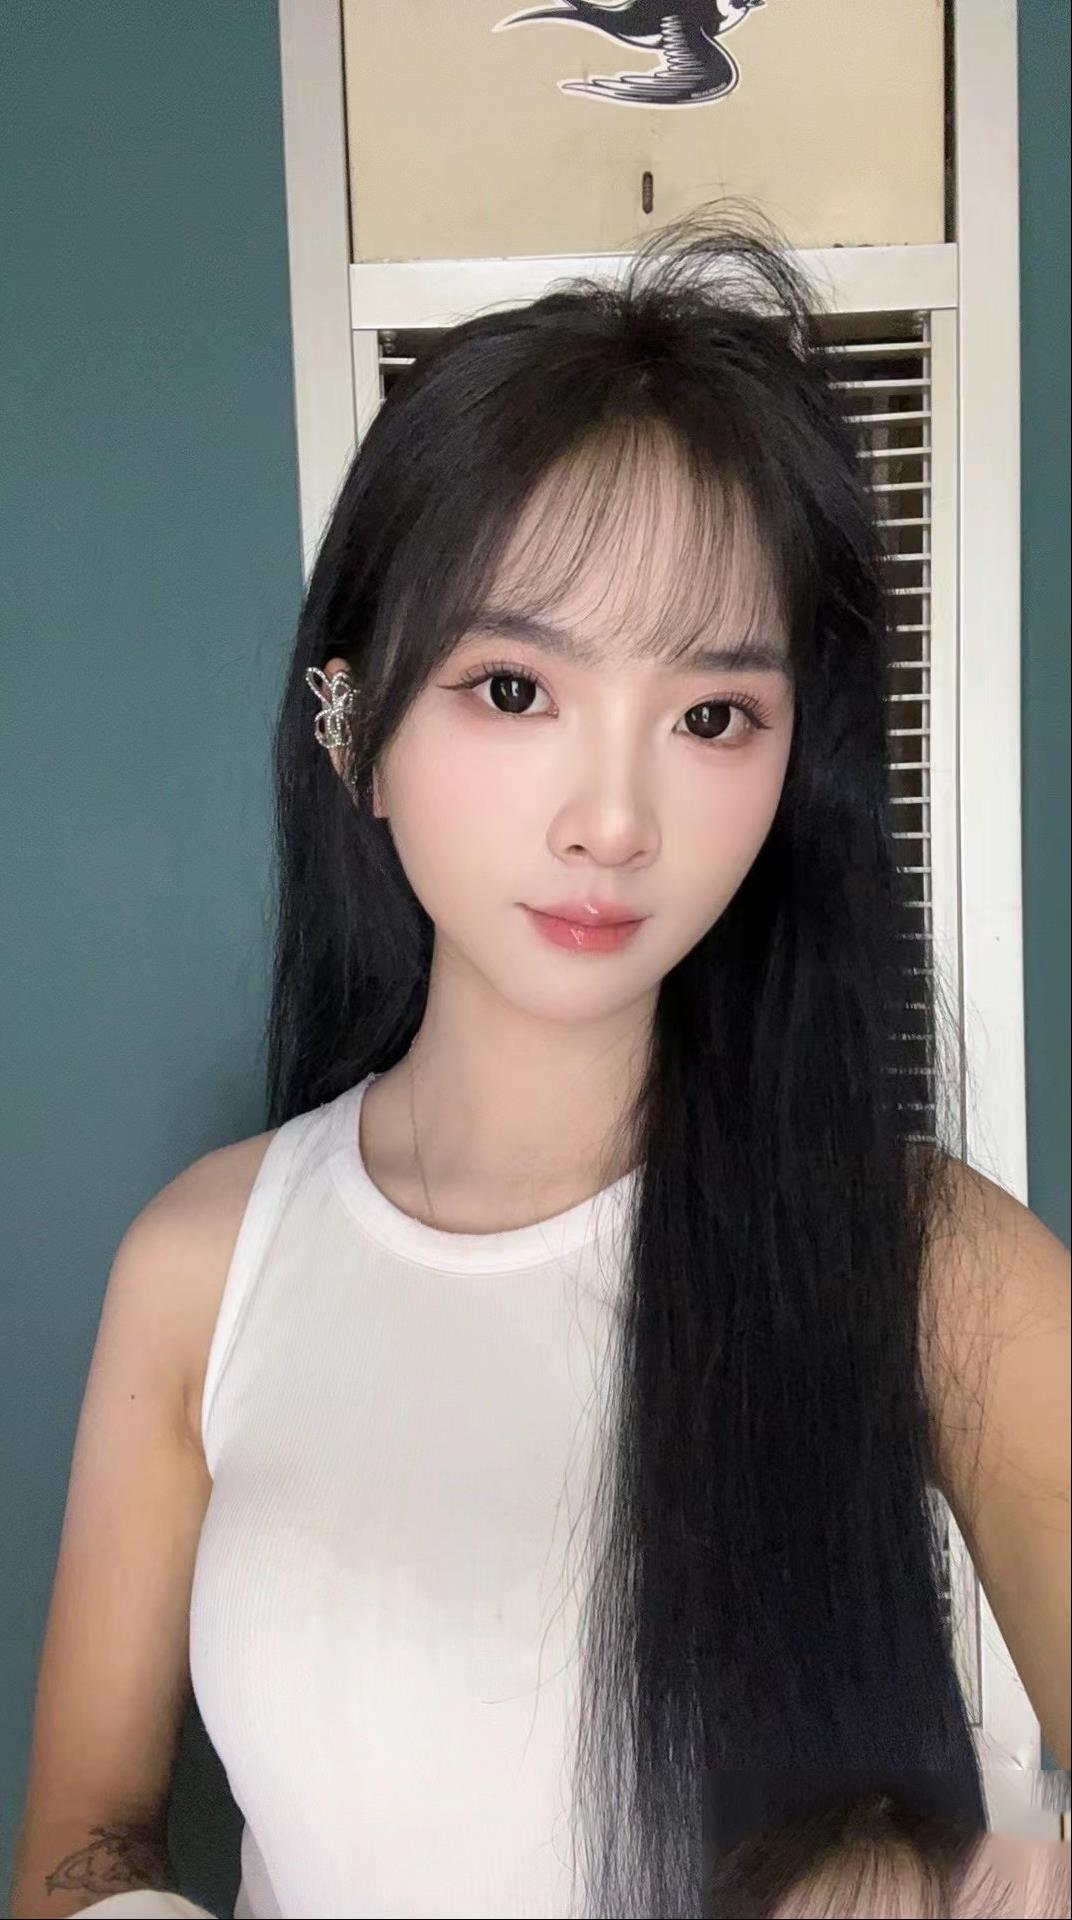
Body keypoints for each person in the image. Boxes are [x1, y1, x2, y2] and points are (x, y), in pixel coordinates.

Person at [10, 209, 1070, 1920]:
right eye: (513, 690)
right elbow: (83, 1844)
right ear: (354, 727)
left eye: (713, 717)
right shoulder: (204, 1267)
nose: (613, 821)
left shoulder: (936, 1265)